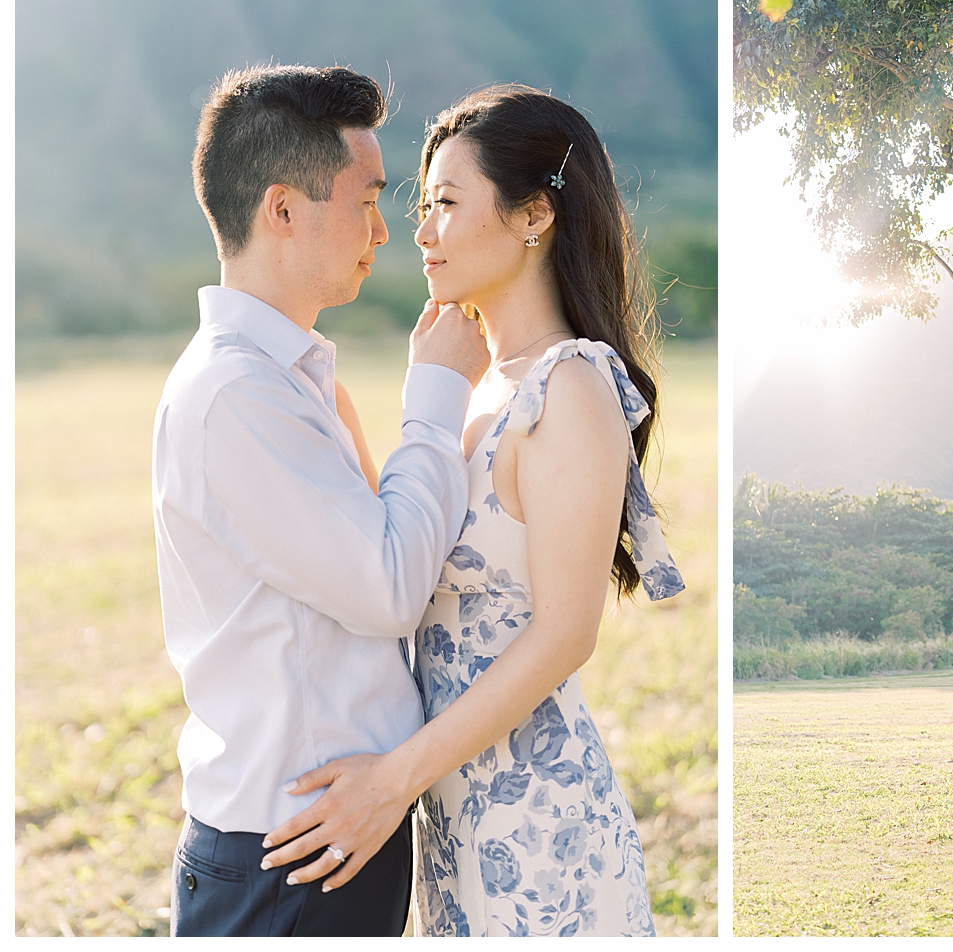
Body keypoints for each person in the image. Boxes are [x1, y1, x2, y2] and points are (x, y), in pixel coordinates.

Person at [257, 85, 685, 937]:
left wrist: (391, 780)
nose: (418, 232)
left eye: (446, 204)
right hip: (457, 816)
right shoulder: (480, 380)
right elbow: (410, 563)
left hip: (540, 827)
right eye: (420, 205)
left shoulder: (568, 386)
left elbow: (567, 634)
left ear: (534, 217)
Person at [153, 64, 492, 936]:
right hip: (289, 859)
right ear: (283, 209)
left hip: (334, 835)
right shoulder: (239, 394)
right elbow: (387, 585)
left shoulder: (286, 374)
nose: (386, 229)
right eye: (366, 198)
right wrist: (437, 394)